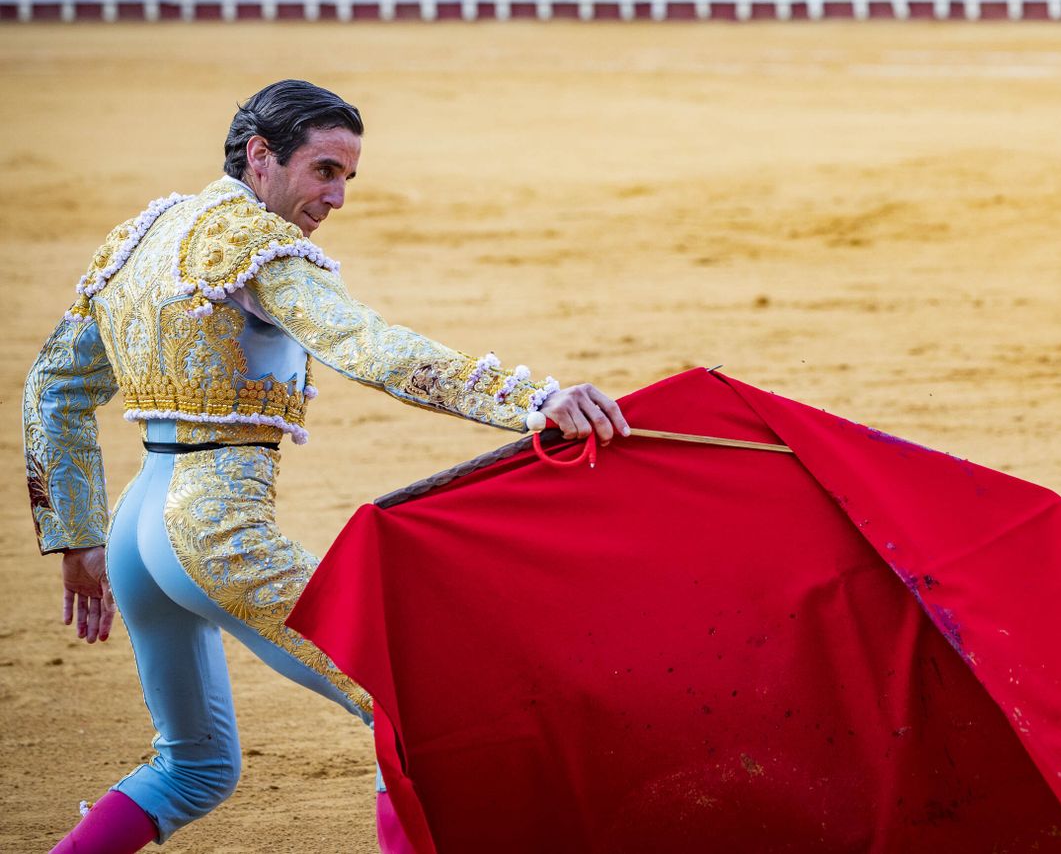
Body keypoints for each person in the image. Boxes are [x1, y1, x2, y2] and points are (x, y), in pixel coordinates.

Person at [28, 80, 629, 854]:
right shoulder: (258, 246)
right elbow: (367, 346)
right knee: (412, 710)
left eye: (347, 176)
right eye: (324, 171)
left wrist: (76, 536)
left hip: (136, 532)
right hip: (214, 532)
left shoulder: (141, 236)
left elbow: (55, 386)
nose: (338, 196)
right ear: (260, 157)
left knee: (193, 768)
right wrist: (533, 401)